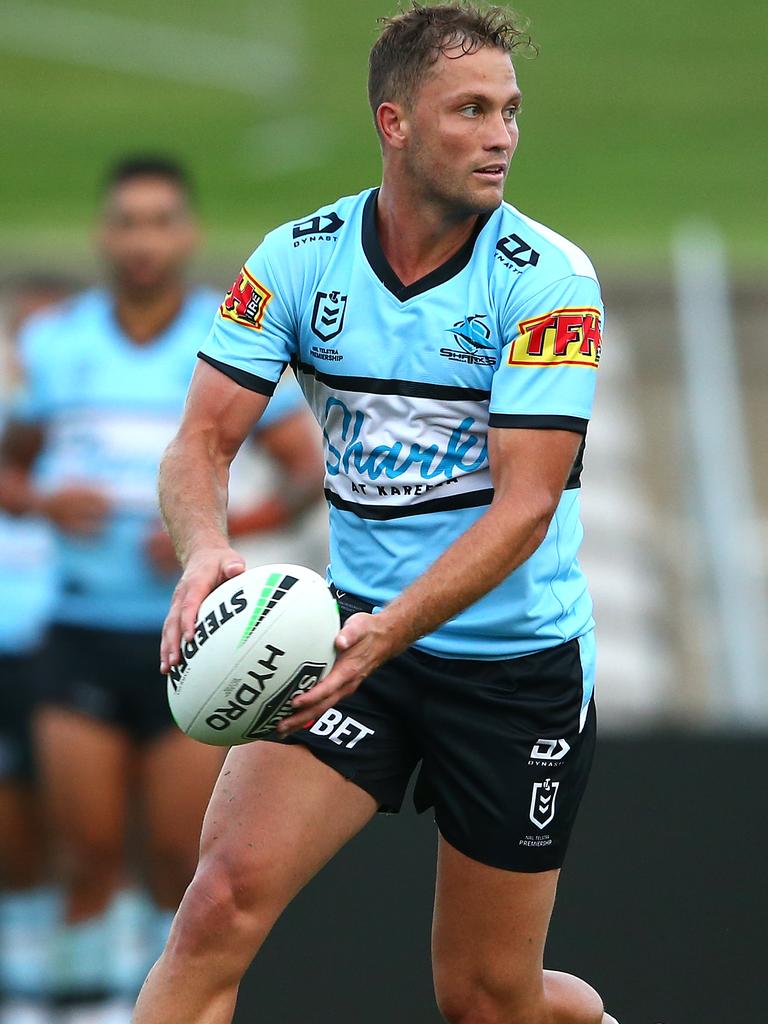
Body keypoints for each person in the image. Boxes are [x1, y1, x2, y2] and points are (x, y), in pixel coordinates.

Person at [136, 5, 620, 1023]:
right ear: (394, 123)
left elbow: (527, 507)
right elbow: (200, 443)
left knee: (488, 1000)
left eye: (511, 111)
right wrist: (206, 546)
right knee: (215, 906)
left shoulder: (549, 283)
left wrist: (388, 630)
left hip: (511, 668)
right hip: (350, 637)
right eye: (471, 110)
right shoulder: (298, 259)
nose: (501, 137)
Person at [0, 158, 324, 1023]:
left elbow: (305, 474)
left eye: (160, 222)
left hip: (198, 642)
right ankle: (65, 1005)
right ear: (104, 235)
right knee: (86, 851)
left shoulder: (227, 338)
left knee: (182, 856)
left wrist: (213, 540)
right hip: (76, 629)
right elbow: (11, 469)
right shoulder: (54, 343)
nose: (143, 240)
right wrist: (42, 501)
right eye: (127, 223)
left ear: (186, 234)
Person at [0, 274, 79, 1024]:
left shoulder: (98, 422)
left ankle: (98, 993)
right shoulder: (19, 424)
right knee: (16, 837)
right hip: (7, 650)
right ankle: (24, 995)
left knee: (89, 838)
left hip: (65, 648)